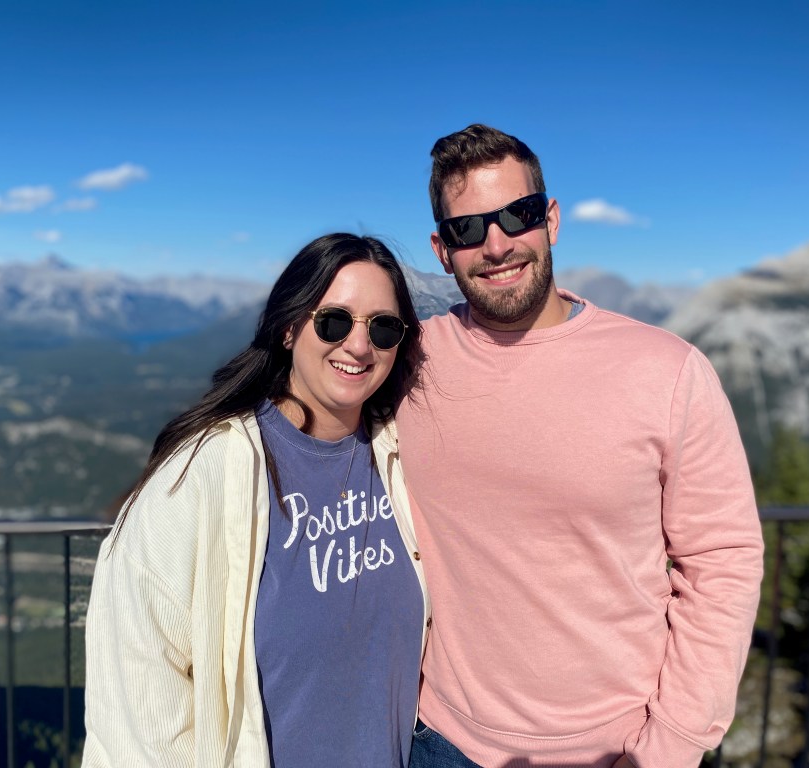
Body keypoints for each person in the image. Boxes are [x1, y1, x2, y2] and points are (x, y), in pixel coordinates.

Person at [396, 124, 764, 768]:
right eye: (467, 228)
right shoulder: (408, 357)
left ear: (552, 219)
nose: (497, 243)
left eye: (519, 214)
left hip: (612, 750)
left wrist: (670, 746)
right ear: (440, 248)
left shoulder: (667, 370)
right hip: (435, 738)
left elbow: (724, 562)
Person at [83, 233, 430, 767]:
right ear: (289, 328)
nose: (359, 346)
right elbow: (138, 715)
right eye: (334, 321)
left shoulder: (404, 458)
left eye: (383, 328)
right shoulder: (201, 477)